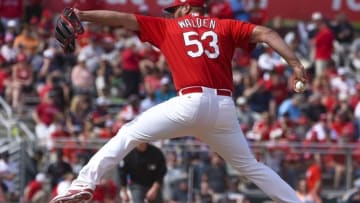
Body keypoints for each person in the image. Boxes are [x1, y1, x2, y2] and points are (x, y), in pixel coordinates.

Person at [50, 0, 307, 202]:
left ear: (185, 7)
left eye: (175, 9)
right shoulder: (225, 25)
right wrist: (295, 64)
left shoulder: (169, 26)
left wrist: (83, 15)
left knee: (128, 133)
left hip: (190, 103)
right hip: (224, 109)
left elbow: (123, 19)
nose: (171, 14)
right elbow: (266, 32)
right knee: (251, 166)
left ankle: (83, 183)